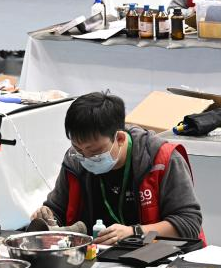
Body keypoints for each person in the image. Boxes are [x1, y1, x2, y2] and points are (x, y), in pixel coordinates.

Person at [30, 92, 204, 245]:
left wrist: (134, 232)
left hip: (158, 257)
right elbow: (57, 209)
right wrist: (48, 218)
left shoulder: (161, 159)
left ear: (120, 138)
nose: (86, 158)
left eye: (95, 151)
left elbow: (188, 223)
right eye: (78, 149)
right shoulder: (75, 159)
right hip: (97, 256)